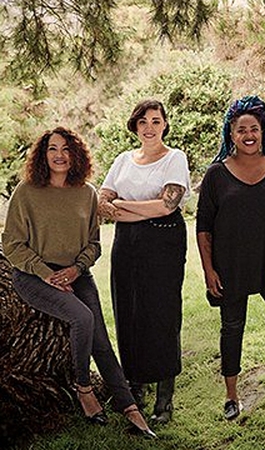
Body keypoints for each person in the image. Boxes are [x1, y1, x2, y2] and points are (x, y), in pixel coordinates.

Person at [2, 127, 156, 438]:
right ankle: (83, 386)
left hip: (76, 273)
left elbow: (94, 244)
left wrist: (75, 269)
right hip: (33, 275)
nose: (59, 155)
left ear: (76, 155)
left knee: (100, 338)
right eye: (52, 149)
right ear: (43, 156)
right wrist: (46, 273)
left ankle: (129, 407)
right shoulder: (27, 191)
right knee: (81, 317)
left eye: (66, 149)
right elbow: (13, 245)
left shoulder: (87, 192)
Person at [197, 95, 265, 420]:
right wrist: (209, 271)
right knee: (232, 329)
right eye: (241, 129)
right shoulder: (217, 175)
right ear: (230, 134)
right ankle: (232, 397)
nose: (249, 134)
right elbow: (203, 228)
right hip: (229, 268)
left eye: (255, 128)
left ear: (263, 132)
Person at [97, 100, 190, 424]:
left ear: (165, 124)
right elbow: (101, 202)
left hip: (163, 240)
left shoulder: (175, 158)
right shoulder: (123, 160)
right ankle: (134, 389)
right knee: (128, 311)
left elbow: (168, 205)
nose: (149, 127)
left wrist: (124, 206)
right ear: (135, 127)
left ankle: (164, 402)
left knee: (162, 315)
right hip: (127, 243)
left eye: (155, 120)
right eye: (143, 122)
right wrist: (134, 207)